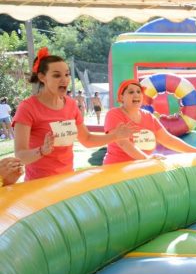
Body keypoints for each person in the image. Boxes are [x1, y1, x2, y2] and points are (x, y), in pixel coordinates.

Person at [12, 48, 134, 181]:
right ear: (42, 77)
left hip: (67, 181)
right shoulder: (27, 108)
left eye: (67, 74)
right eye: (57, 75)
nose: (65, 80)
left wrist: (115, 135)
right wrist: (42, 150)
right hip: (39, 186)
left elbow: (87, 139)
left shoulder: (71, 105)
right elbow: (20, 155)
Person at [104, 79, 196, 164]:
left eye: (139, 92)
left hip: (140, 167)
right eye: (131, 92)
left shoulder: (148, 116)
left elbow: (167, 139)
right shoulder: (114, 114)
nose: (136, 95)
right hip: (118, 167)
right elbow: (123, 143)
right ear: (121, 97)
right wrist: (146, 159)